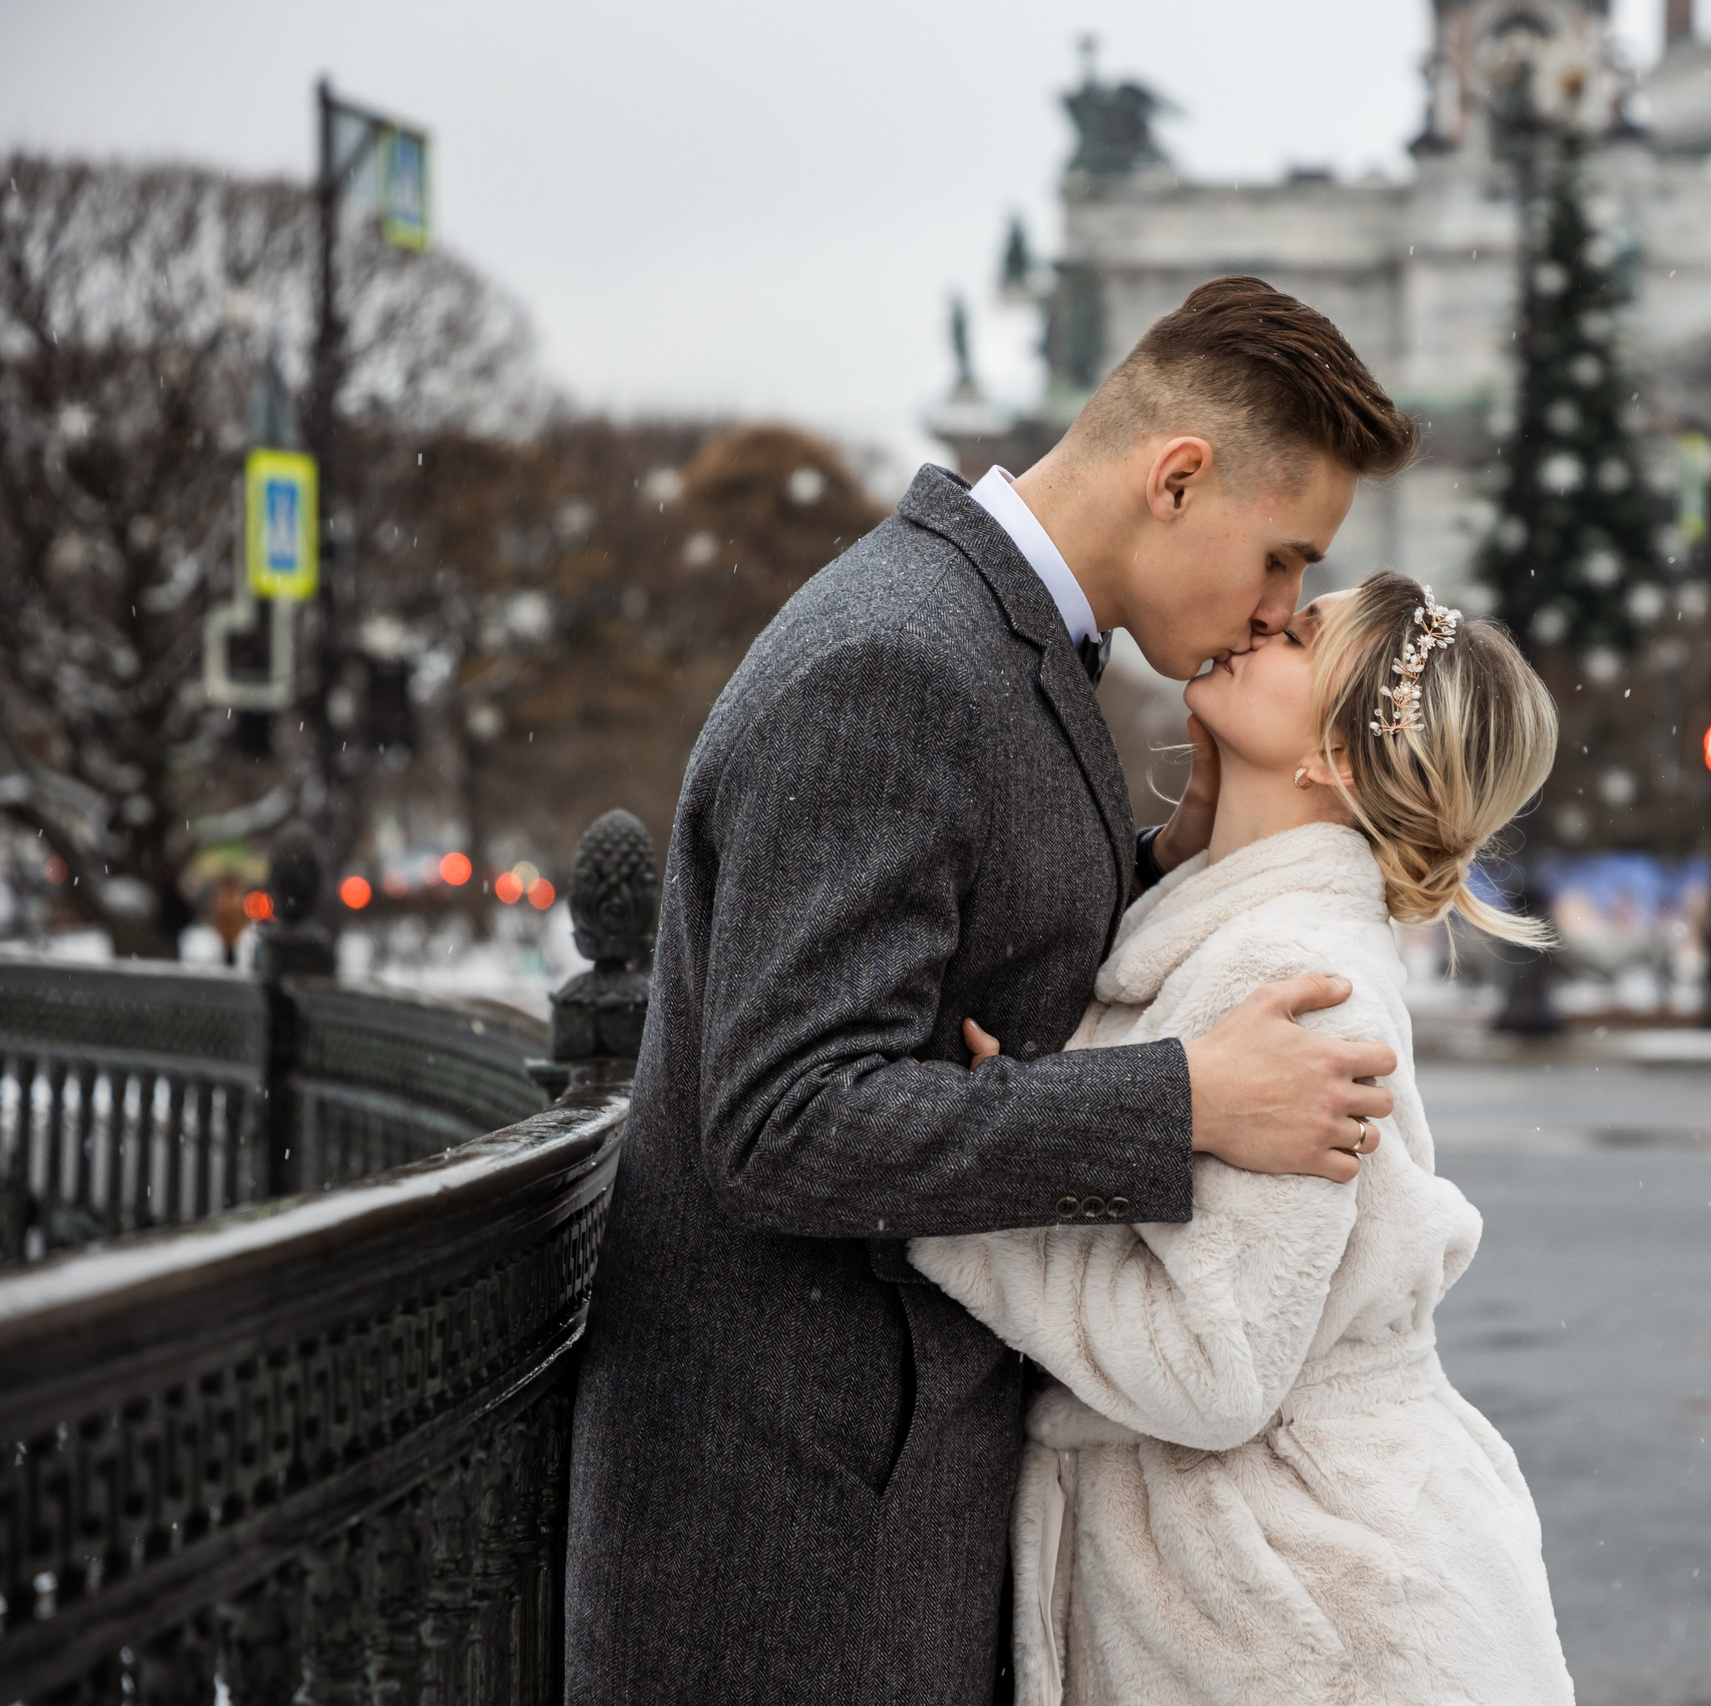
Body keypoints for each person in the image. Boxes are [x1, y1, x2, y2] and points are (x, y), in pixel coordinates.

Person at [564, 278, 1421, 1703]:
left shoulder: (992, 634)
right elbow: (784, 1117)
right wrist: (1185, 1097)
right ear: (1179, 475)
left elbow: (977, 950)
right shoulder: (898, 660)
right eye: (1283, 559)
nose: (1281, 610)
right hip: (795, 1540)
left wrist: (1177, 856)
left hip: (876, 1498)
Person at [912, 573, 1575, 1705]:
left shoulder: (1289, 980)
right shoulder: (1234, 926)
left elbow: (1215, 1367)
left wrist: (973, 1199)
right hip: (1276, 1570)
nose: (1264, 616)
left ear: (1340, 758)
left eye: (1301, 631)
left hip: (1303, 1606)